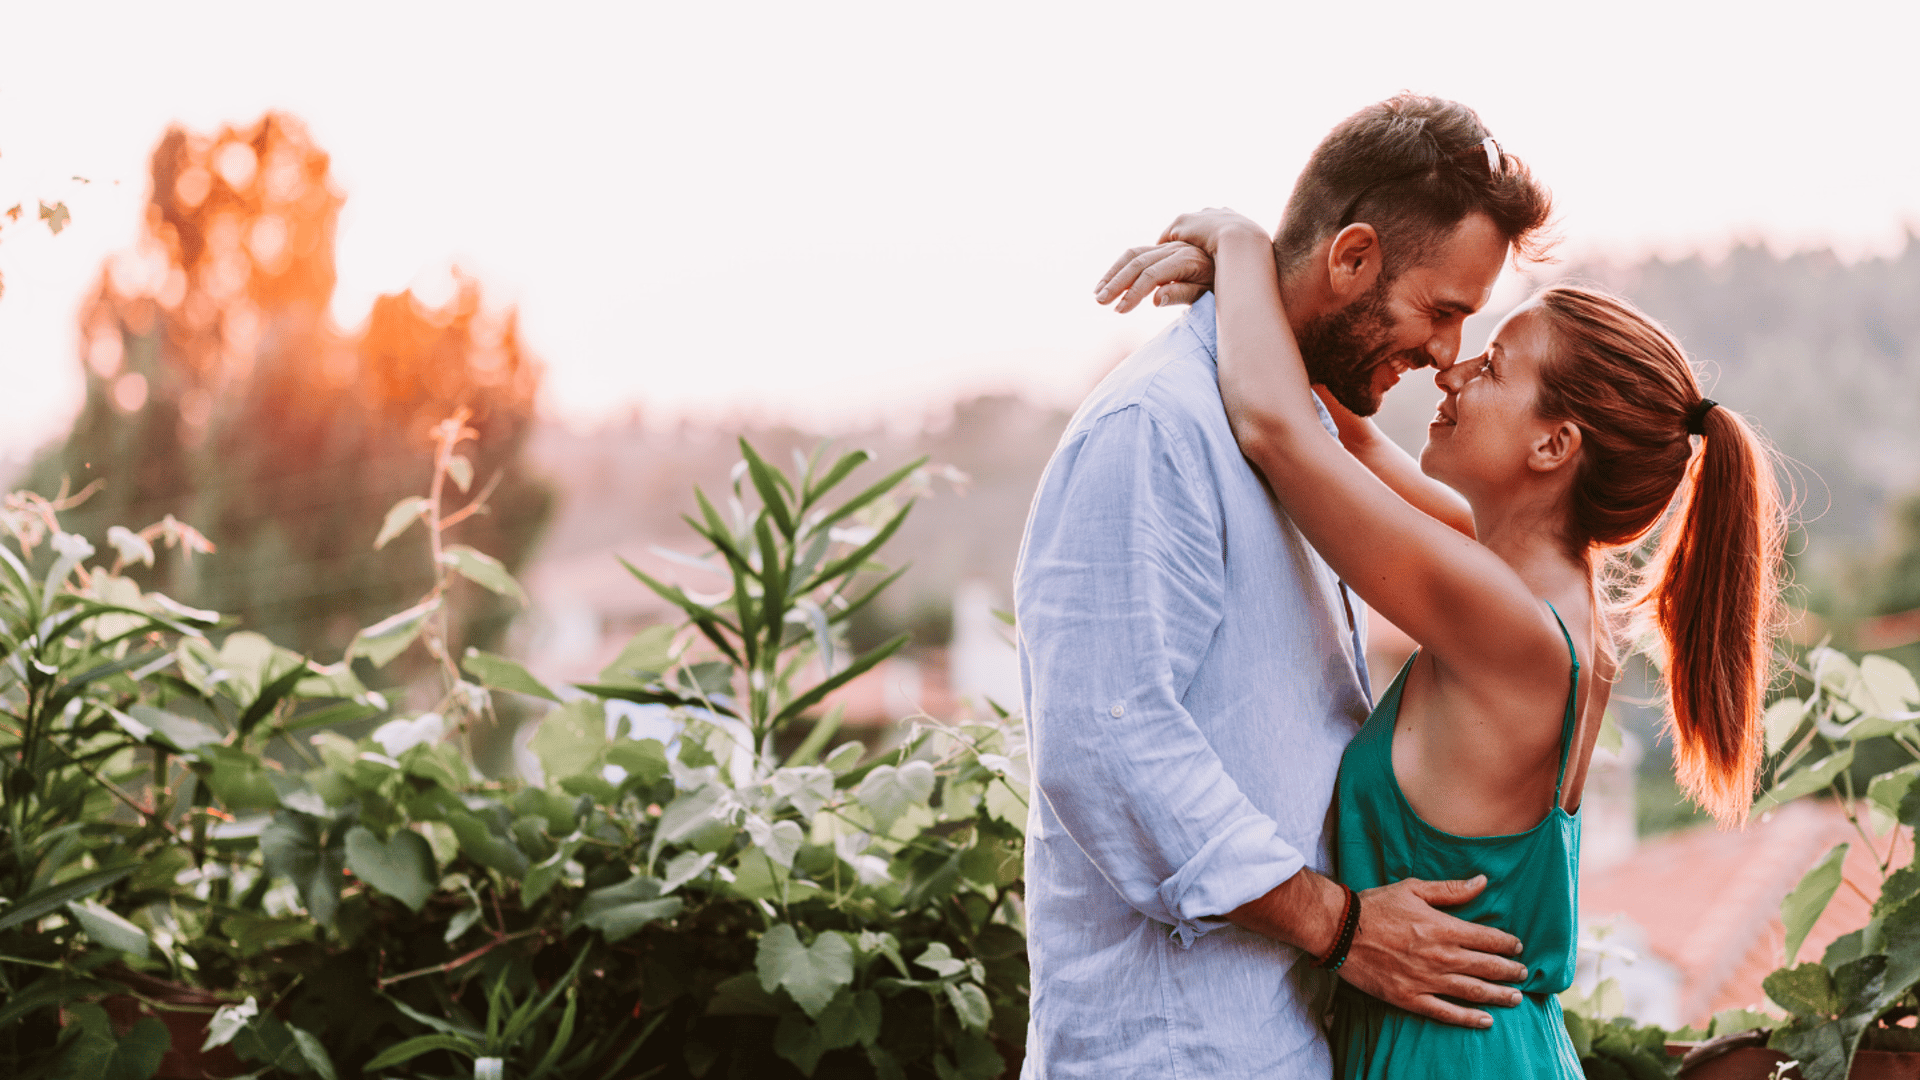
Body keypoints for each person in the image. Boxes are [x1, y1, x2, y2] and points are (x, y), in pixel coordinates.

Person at [1097, 206, 1784, 1077]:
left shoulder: (1504, 623)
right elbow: (1340, 428)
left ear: (1554, 444)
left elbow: (1278, 431)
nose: (1453, 371)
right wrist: (1269, 296)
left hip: (1449, 1055)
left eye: (1494, 367)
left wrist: (1237, 239)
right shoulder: (1529, 597)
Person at [1014, 94, 1553, 1078]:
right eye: (1441, 311)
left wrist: (1238, 245)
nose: (1444, 355)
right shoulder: (1157, 429)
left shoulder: (1307, 448)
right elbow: (1109, 741)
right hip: (1176, 1052)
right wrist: (1341, 926)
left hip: (1282, 1041)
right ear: (1350, 259)